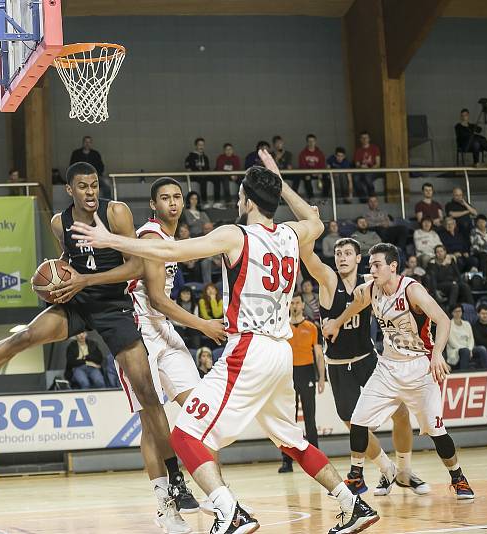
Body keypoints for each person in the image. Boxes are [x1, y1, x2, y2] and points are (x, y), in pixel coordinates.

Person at [70, 150, 380, 534]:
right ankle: (353, 505)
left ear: (248, 200)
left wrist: (109, 238)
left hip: (249, 349)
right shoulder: (290, 232)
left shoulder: (235, 235)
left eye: (240, 195)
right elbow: (314, 220)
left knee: (184, 435)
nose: (236, 200)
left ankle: (228, 510)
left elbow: (169, 250)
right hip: (282, 353)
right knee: (293, 441)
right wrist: (280, 182)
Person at [0, 162, 199, 518]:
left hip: (114, 307)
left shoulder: (117, 213)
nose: (90, 192)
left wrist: (84, 281)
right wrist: (59, 280)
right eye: (83, 186)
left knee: (146, 391)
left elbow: (136, 268)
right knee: (25, 336)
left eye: (94, 185)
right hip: (78, 302)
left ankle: (176, 480)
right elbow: (69, 261)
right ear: (70, 190)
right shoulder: (59, 222)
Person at [323, 243, 475, 501]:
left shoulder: (412, 290)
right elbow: (357, 304)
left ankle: (458, 478)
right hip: (388, 368)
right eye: (370, 264)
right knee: (358, 420)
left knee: (436, 431)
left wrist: (437, 353)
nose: (371, 269)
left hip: (419, 368)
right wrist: (337, 322)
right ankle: (356, 477)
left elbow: (443, 320)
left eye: (377, 264)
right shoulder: (371, 288)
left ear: (393, 266)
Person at [125, 177, 231, 528]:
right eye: (165, 198)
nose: (173, 202)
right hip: (137, 333)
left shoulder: (171, 239)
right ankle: (165, 506)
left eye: (177, 197)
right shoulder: (151, 236)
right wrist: (203, 325)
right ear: (154, 204)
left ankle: (219, 495)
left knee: (200, 411)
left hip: (163, 330)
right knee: (151, 423)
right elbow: (156, 298)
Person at [301, 236, 426, 496]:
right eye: (338, 253)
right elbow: (308, 258)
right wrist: (310, 227)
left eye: (348, 253)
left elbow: (398, 282)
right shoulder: (328, 279)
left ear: (360, 259)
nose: (342, 258)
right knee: (354, 424)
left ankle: (404, 471)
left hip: (367, 358)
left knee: (401, 413)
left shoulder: (371, 281)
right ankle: (387, 470)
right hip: (338, 364)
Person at [278, 294, 324, 474]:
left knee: (310, 419)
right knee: (288, 420)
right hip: (288, 375)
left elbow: (319, 354)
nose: (295, 305)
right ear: (289, 306)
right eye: (292, 303)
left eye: (298, 302)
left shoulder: (312, 327)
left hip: (307, 373)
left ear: (303, 305)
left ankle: (316, 460)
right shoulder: (283, 327)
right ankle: (287, 461)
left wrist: (321, 378)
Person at [428, 245, 473, 311]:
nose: (440, 253)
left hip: (453, 282)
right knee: (454, 286)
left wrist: (459, 281)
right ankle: (452, 309)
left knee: (465, 286)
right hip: (440, 284)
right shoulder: (432, 263)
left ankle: (472, 307)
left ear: (445, 252)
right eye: (437, 252)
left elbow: (457, 274)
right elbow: (438, 278)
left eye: (441, 251)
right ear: (435, 254)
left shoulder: (450, 260)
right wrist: (443, 266)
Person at [447, 305, 486, 371]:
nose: (458, 313)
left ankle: (486, 371)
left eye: (460, 311)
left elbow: (471, 339)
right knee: (465, 351)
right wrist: (466, 349)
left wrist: (470, 349)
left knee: (482, 349)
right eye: (456, 311)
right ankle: (464, 372)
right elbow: (451, 342)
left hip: (468, 349)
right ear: (452, 313)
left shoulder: (467, 324)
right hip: (455, 350)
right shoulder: (449, 324)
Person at [184, 138, 213, 208]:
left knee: (216, 178)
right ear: (196, 146)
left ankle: (217, 201)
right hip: (195, 176)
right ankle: (204, 201)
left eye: (202, 145)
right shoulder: (190, 157)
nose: (201, 147)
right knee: (203, 180)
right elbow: (188, 169)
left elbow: (207, 169)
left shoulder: (205, 157)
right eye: (199, 145)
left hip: (204, 175)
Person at [353, 132, 380, 201]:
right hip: (362, 170)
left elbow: (377, 164)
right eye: (363, 138)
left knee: (368, 177)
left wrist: (370, 169)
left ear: (369, 139)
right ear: (360, 140)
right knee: (356, 178)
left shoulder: (375, 148)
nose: (364, 139)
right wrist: (361, 166)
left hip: (373, 170)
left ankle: (372, 195)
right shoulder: (358, 151)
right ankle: (363, 197)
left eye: (366, 138)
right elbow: (357, 164)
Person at [297, 133, 325, 198]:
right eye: (309, 141)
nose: (311, 143)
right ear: (307, 142)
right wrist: (309, 173)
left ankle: (325, 197)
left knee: (327, 178)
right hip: (307, 174)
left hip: (318, 173)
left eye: (313, 141)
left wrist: (319, 173)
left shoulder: (320, 153)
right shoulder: (303, 153)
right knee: (306, 178)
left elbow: (322, 165)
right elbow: (302, 166)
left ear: (315, 142)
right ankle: (311, 197)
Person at [470, 214, 487, 278]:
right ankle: (484, 278)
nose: (481, 224)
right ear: (476, 223)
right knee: (484, 256)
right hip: (478, 252)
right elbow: (475, 247)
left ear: (486, 222)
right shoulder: (474, 232)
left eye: (483, 222)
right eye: (479, 222)